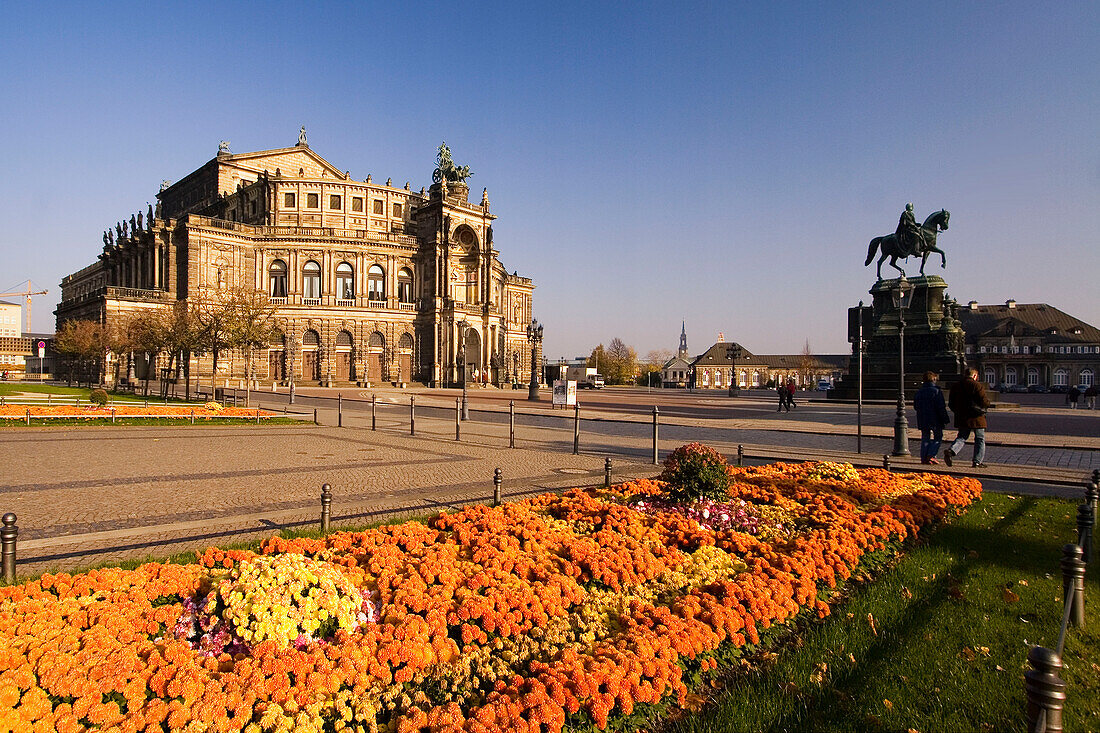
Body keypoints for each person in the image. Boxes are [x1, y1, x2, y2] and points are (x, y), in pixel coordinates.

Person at [944, 367, 991, 468]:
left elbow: (951, 403)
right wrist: (987, 404)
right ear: (974, 375)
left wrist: (958, 411)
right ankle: (977, 461)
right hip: (976, 417)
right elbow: (983, 401)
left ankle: (951, 451)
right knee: (980, 438)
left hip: (962, 417)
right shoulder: (976, 385)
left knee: (962, 437)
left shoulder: (956, 386)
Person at [914, 371, 951, 464]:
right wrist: (945, 418)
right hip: (935, 419)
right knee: (938, 437)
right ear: (934, 379)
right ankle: (931, 455)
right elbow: (940, 407)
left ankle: (924, 458)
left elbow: (916, 406)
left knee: (925, 437)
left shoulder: (919, 391)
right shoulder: (936, 391)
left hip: (923, 418)